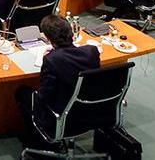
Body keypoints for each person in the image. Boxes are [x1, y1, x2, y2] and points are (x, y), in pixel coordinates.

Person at [14, 15, 100, 149]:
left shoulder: (51, 60)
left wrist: (49, 57)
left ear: (48, 38)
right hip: (91, 112)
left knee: (22, 92)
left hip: (61, 115)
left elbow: (44, 96)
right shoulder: (91, 52)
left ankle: (37, 139)